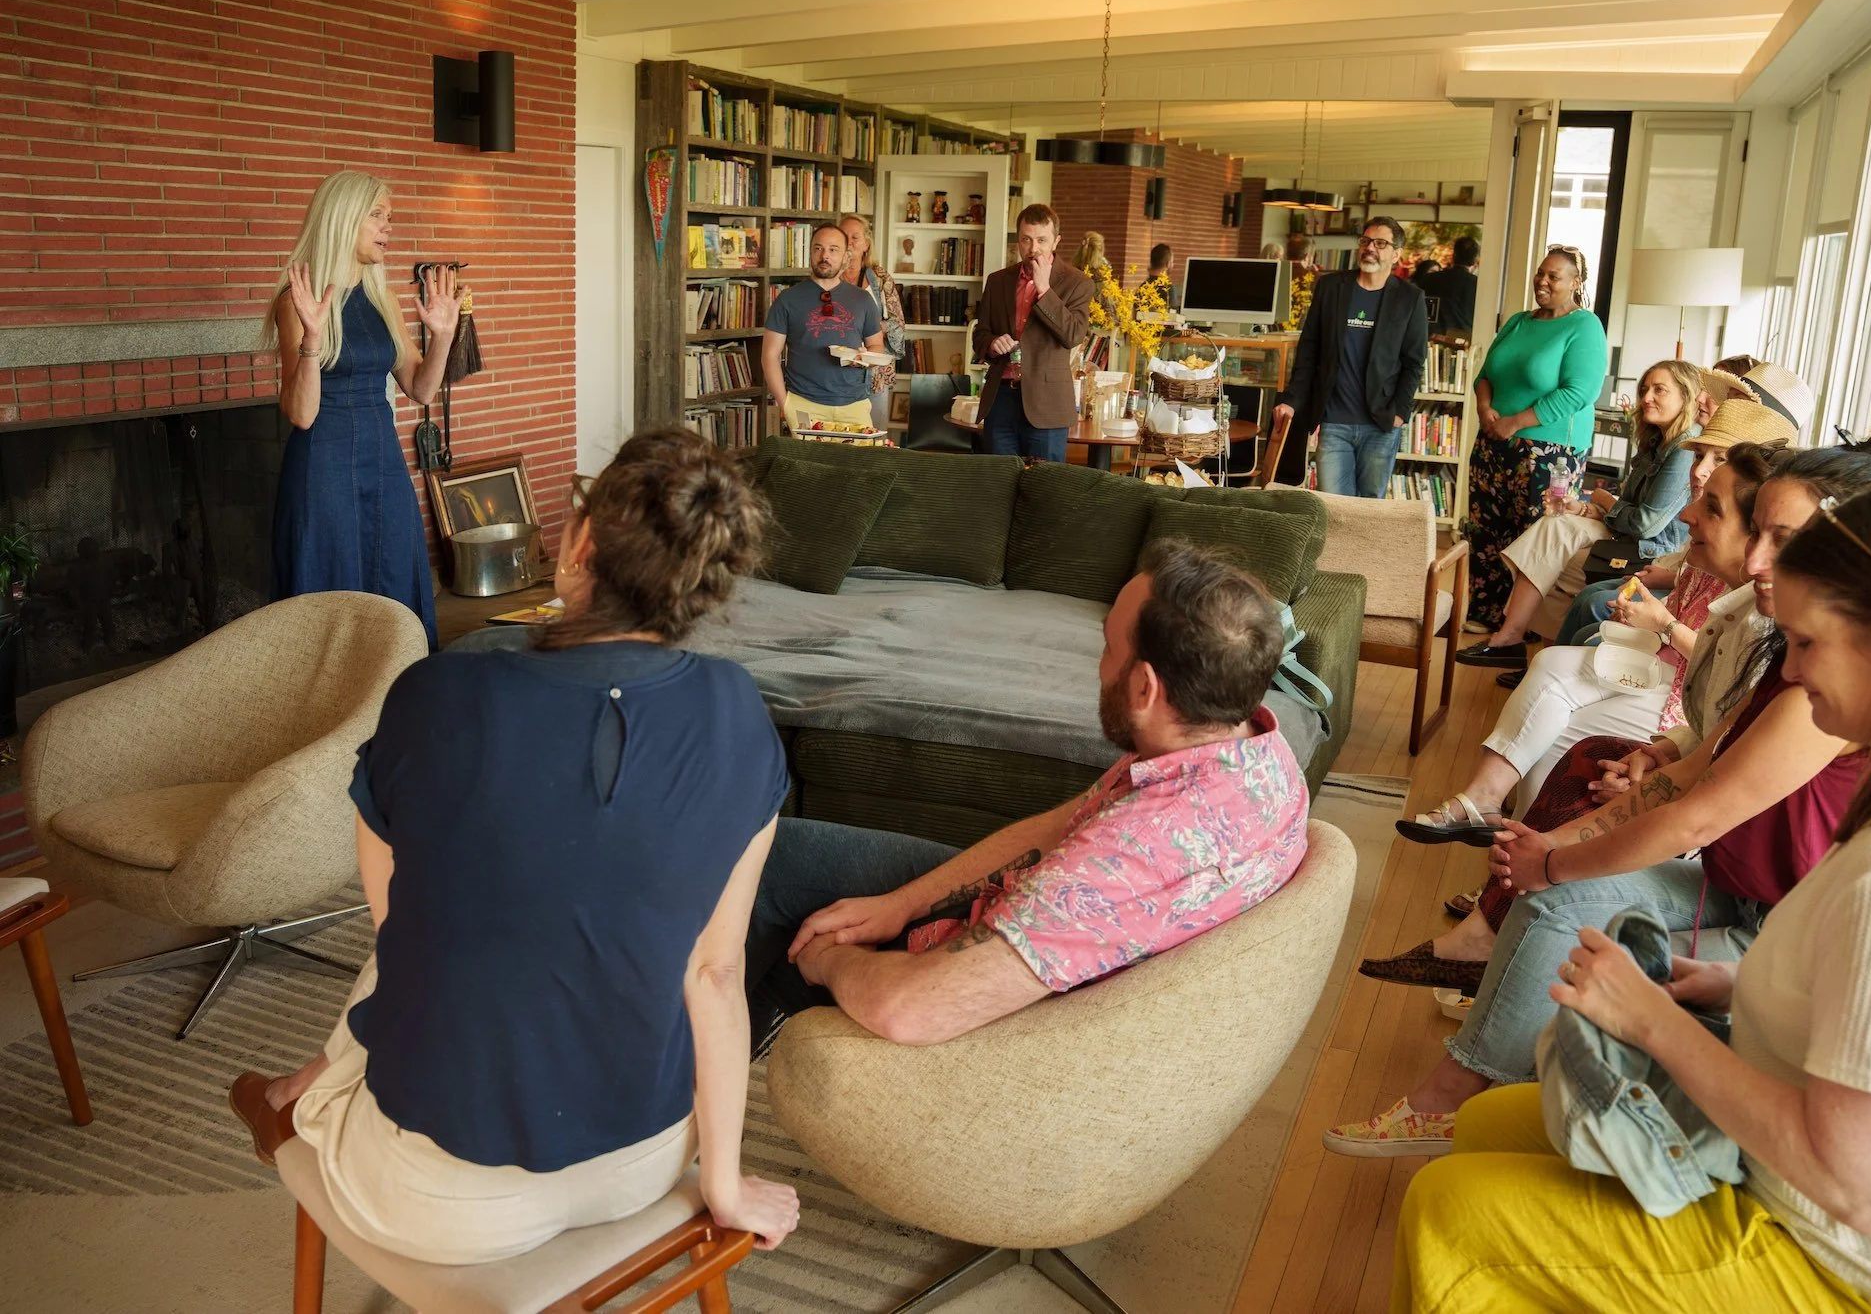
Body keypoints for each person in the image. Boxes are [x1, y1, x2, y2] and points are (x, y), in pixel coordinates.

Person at [1389, 480, 1871, 1312]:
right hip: (1817, 1185)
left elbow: (1862, 1185)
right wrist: (1735, 986)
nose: (1789, 669)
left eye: (1808, 643)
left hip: (1853, 1265)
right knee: (1488, 1128)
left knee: (1447, 1211)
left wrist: (1652, 1021)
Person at [225, 430, 801, 1263]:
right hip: (645, 1164)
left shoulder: (436, 693)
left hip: (442, 1196)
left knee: (435, 932)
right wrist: (725, 1184)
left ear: (579, 544)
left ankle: (297, 1095)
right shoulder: (741, 711)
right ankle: (307, 1083)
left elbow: (406, 940)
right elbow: (713, 975)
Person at [1325, 442, 1871, 1155]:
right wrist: (1563, 847)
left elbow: (1698, 814)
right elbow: (1697, 761)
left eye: (1783, 541)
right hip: (1735, 889)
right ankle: (1465, 1082)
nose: (1760, 559)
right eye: (1757, 532)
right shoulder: (1795, 656)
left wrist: (1557, 861)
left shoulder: (1825, 684)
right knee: (1555, 868)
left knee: (1556, 891)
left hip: (1770, 921)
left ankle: (1463, 1091)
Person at [744, 539, 1309, 1049]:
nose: (1097, 665)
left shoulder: (1129, 854)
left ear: (1144, 688)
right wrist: (901, 904)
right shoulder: (1255, 751)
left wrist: (831, 961)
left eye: (1107, 645)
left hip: (998, 1007)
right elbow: (1055, 829)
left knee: (755, 872)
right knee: (778, 860)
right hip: (1023, 918)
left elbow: (907, 1009)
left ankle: (686, 1101)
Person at [1393, 434, 1752, 854]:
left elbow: (1721, 676)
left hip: (1682, 695)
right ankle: (1484, 801)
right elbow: (1680, 597)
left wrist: (1663, 623)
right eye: (1700, 457)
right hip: (1660, 663)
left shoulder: (1755, 591)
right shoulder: (1707, 547)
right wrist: (1652, 613)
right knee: (1549, 661)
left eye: (1710, 501)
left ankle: (1514, 866)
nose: (1691, 504)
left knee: (1557, 731)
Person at [269, 169, 458, 651]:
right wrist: (313, 339)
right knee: (330, 596)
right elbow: (302, 414)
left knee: (394, 579)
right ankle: (335, 718)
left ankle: (397, 706)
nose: (388, 227)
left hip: (383, 465)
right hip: (322, 470)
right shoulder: (297, 303)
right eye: (377, 216)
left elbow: (420, 387)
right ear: (342, 219)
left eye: (389, 217)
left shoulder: (383, 300)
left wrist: (442, 337)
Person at [1456, 359, 1703, 666]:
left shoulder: (1685, 448)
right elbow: (1629, 508)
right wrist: (1588, 506)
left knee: (1558, 560)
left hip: (1651, 550)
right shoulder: (1656, 441)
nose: (1646, 397)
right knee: (1554, 525)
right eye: (1644, 389)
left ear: (1686, 395)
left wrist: (1604, 500)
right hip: (1624, 534)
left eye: (1659, 390)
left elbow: (1646, 524)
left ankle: (1529, 650)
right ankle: (1525, 646)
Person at [1553, 370, 1803, 652]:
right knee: (1586, 609)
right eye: (1698, 456)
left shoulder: (1752, 522)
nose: (1712, 402)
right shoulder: (1679, 454)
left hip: (1670, 605)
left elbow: (1646, 525)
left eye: (1738, 401)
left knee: (1592, 612)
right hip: (1674, 587)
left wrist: (1664, 621)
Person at [1462, 244, 1610, 631]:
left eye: (1553, 276)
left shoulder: (1584, 326)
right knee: (1485, 530)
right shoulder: (1518, 322)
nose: (1542, 281)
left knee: (1533, 538)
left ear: (1575, 283)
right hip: (1494, 443)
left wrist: (1515, 422)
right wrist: (1484, 407)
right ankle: (1484, 613)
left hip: (1550, 452)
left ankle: (1520, 624)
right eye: (1540, 273)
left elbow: (1580, 391)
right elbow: (1485, 374)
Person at [1271, 216, 1428, 499]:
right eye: (1366, 241)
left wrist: (1399, 413)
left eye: (1380, 243)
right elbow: (1309, 349)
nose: (1370, 248)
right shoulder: (1331, 287)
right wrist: (1292, 400)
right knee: (1333, 507)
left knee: (1369, 510)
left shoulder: (1410, 298)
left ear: (1396, 254)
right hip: (1334, 423)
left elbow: (1414, 361)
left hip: (1380, 424)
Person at [972, 204, 1095, 461]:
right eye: (1026, 239)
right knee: (999, 483)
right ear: (1018, 239)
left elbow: (1072, 335)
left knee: (1044, 487)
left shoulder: (1078, 283)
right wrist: (993, 343)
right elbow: (980, 333)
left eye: (1041, 240)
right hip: (1001, 398)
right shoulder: (998, 280)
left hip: (1046, 404)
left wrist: (1043, 290)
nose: (1033, 248)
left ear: (1056, 241)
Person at [761, 223, 888, 433]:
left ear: (846, 256)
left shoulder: (863, 300)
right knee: (808, 466)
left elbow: (876, 346)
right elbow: (769, 356)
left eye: (833, 249)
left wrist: (863, 359)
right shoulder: (787, 299)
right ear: (810, 252)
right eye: (818, 248)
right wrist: (785, 404)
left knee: (856, 466)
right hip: (804, 404)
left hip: (854, 405)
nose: (824, 256)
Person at [838, 212, 907, 430]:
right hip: (834, 371)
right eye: (843, 236)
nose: (848, 242)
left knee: (873, 435)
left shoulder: (880, 277)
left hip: (875, 374)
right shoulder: (827, 276)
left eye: (855, 237)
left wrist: (868, 329)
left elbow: (898, 324)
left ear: (866, 244)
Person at [1415, 236, 1479, 336]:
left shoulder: (1430, 279)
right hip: (1465, 340)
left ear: (1454, 256)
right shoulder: (1478, 285)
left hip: (1433, 339)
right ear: (1475, 260)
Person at [1142, 242, 1176, 307]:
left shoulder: (1143, 287)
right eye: (1172, 262)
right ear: (1168, 264)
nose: (1173, 265)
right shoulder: (1169, 289)